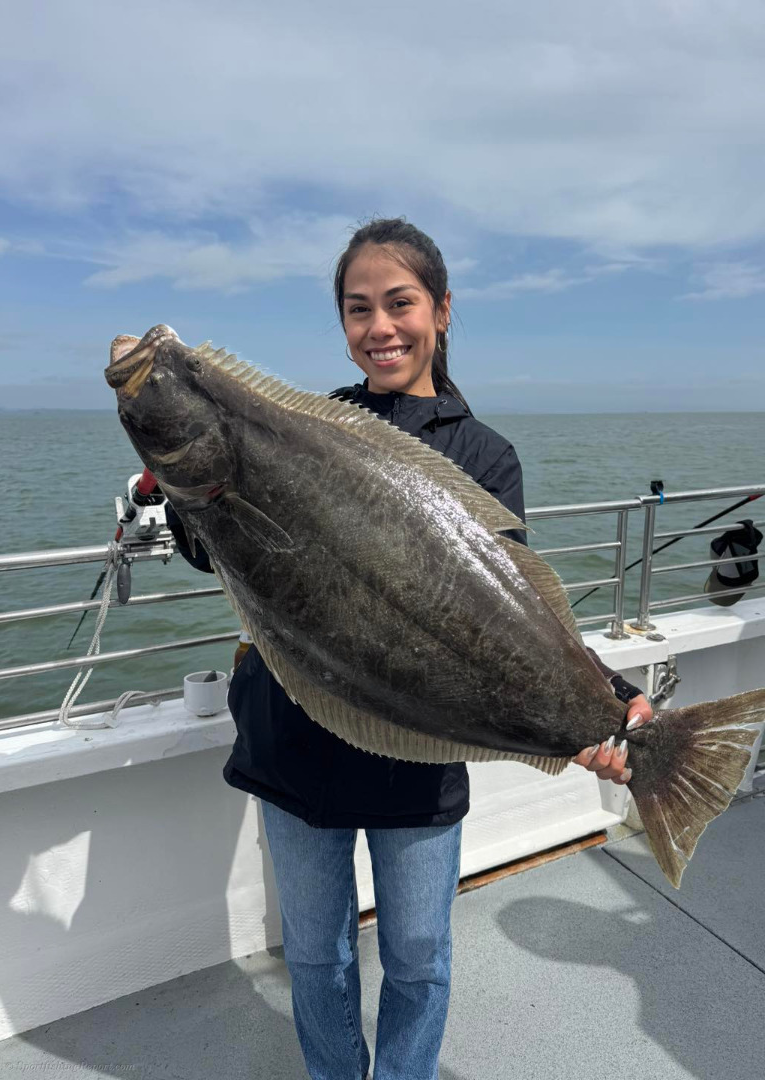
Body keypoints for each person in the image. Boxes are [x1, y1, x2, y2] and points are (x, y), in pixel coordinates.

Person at [166, 217, 653, 1080]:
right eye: (359, 310)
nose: (380, 327)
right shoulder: (300, 425)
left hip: (415, 759)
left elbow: (510, 621)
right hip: (292, 744)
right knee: (315, 957)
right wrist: (183, 490)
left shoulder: (484, 456)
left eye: (400, 303)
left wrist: (611, 705)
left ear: (442, 310)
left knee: (419, 958)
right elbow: (216, 551)